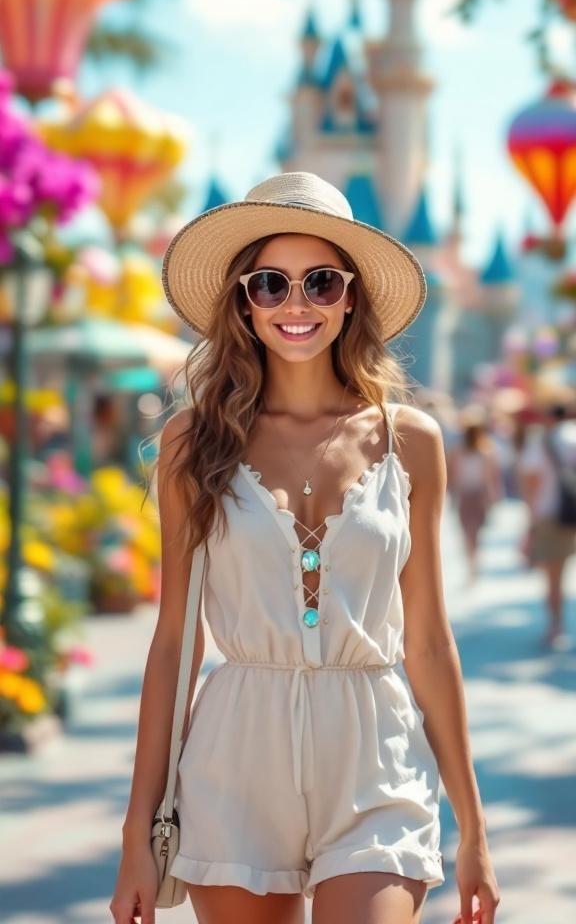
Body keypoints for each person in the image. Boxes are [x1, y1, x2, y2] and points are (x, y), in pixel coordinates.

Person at [110, 172, 499, 924]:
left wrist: (475, 828)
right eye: (270, 284)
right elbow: (173, 648)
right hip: (236, 756)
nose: (297, 304)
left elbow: (426, 641)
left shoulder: (409, 441)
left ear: (351, 296)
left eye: (321, 282)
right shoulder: (194, 442)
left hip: (376, 756)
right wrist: (136, 833)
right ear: (243, 301)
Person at [516, 403, 576, 647]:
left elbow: (530, 481)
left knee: (553, 575)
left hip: (549, 514)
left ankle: (556, 625)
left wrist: (529, 521)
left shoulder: (541, 442)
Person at [447, 414, 502, 583]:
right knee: (473, 531)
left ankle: (472, 562)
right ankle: (473, 562)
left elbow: (451, 476)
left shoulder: (460, 451)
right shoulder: (486, 451)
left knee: (468, 531)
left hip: (468, 495)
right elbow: (492, 477)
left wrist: (451, 494)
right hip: (477, 495)